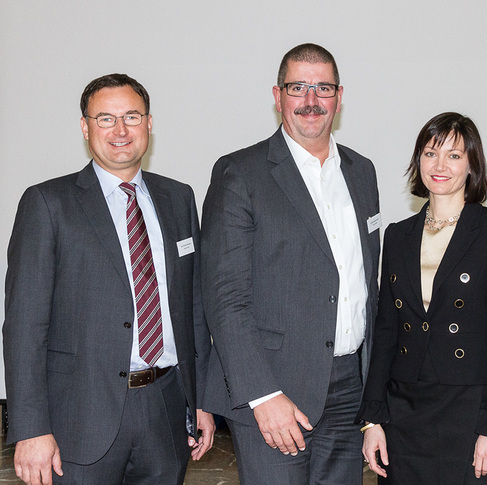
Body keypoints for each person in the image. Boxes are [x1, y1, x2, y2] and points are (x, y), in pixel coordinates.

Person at [3, 73, 215, 485]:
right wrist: (30, 428)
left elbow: (194, 310)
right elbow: (24, 326)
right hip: (78, 416)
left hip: (166, 410)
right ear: (85, 127)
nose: (120, 130)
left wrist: (202, 401)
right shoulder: (48, 203)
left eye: (132, 116)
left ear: (149, 124)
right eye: (105, 118)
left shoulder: (179, 198)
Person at [200, 43, 381, 484]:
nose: (311, 100)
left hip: (347, 387)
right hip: (274, 388)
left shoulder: (362, 171)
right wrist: (263, 395)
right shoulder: (240, 173)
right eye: (298, 87)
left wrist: (374, 402)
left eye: (323, 88)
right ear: (278, 96)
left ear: (340, 97)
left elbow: (365, 285)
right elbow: (225, 300)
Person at [358, 112, 487, 484]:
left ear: (472, 165)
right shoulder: (398, 235)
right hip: (404, 414)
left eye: (454, 155)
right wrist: (373, 419)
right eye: (430, 153)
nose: (440, 165)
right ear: (418, 160)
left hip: (473, 412)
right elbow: (386, 331)